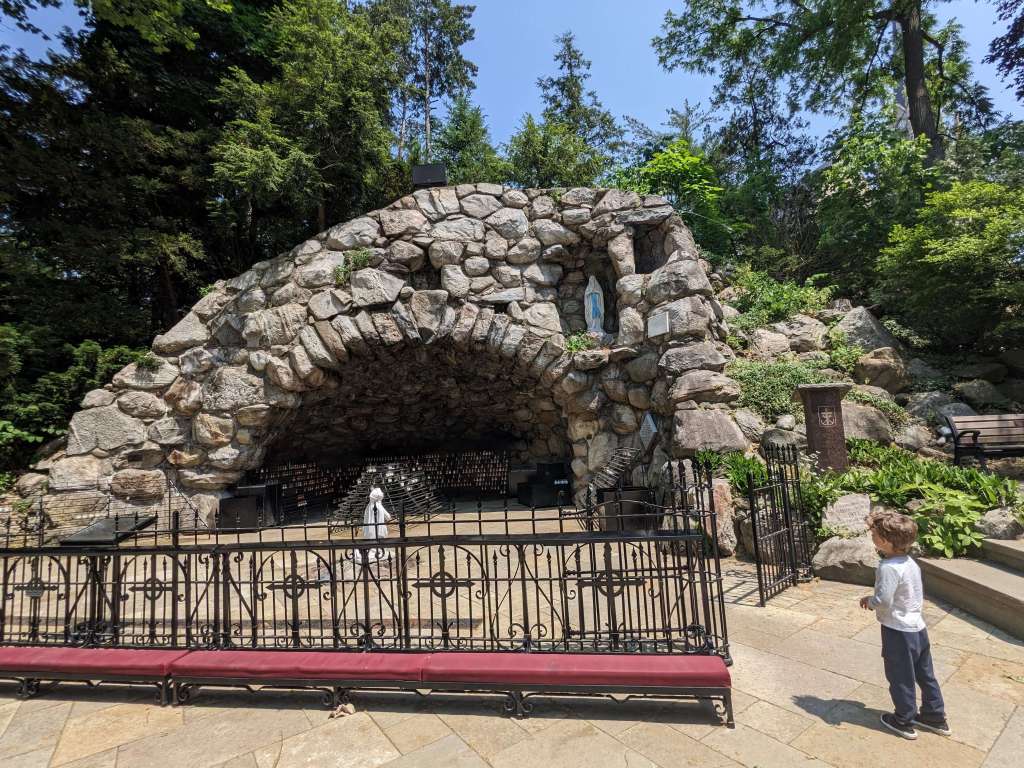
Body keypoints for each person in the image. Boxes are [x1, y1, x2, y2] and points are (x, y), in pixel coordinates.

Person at [859, 510, 951, 740]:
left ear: (886, 542)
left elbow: (884, 600)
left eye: (875, 535)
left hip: (898, 631)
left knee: (900, 675)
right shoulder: (910, 562)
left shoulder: (888, 567)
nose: (872, 537)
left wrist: (869, 602)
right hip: (918, 628)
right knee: (925, 673)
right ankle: (934, 716)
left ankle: (903, 719)